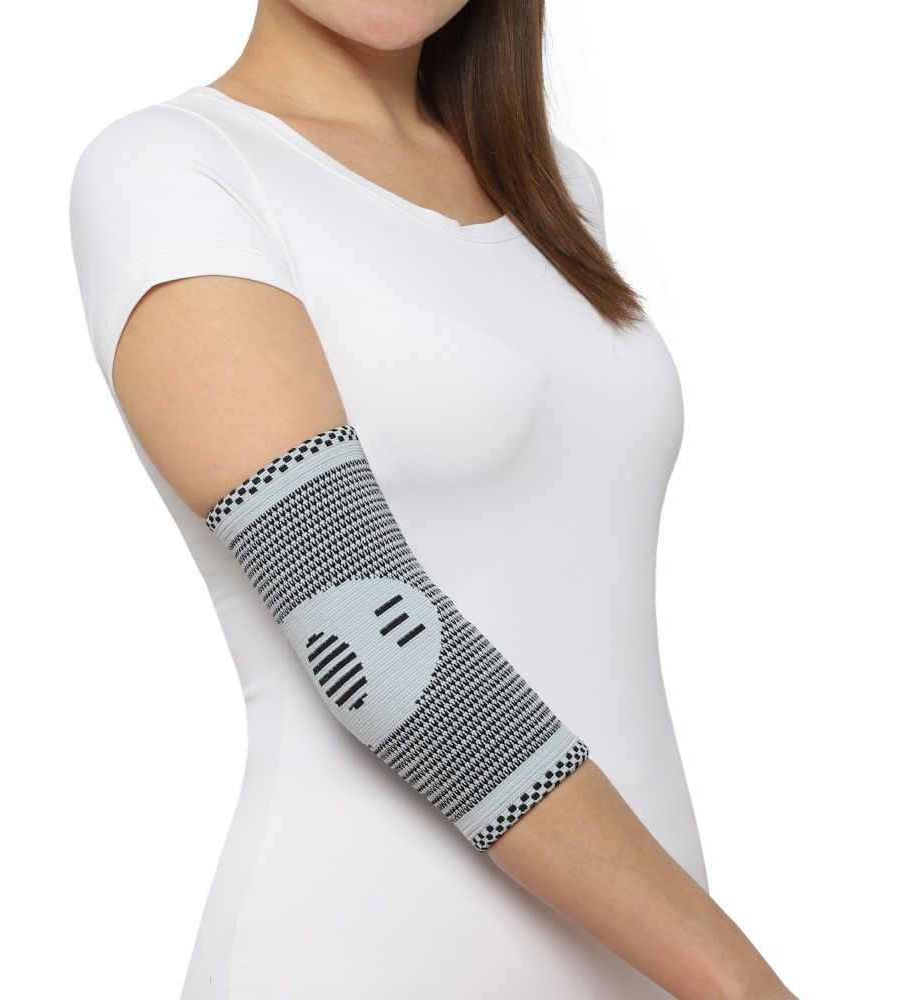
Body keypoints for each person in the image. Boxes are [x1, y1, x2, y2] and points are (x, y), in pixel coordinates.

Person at [68, 2, 798, 997]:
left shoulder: (554, 189)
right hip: (358, 959)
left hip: (645, 960)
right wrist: (737, 980)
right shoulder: (174, 169)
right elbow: (369, 634)